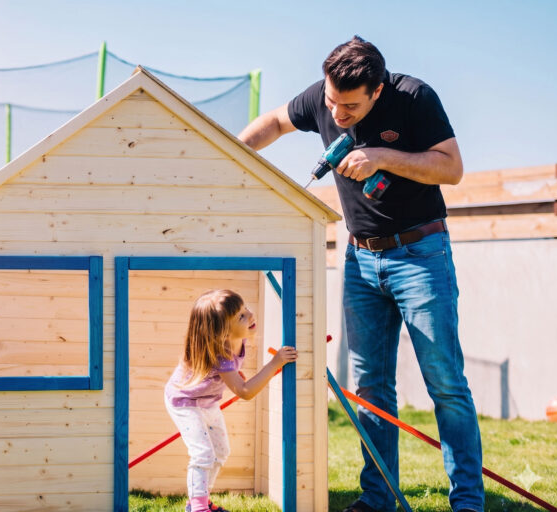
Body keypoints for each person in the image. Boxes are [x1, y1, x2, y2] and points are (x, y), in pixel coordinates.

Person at [237, 36, 484, 512]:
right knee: (371, 387)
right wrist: (231, 158)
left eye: (350, 105)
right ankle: (378, 498)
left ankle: (468, 503)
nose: (337, 114)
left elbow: (451, 169)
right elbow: (271, 123)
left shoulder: (414, 97)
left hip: (421, 255)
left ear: (377, 91)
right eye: (332, 101)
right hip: (358, 259)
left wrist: (383, 157)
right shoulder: (323, 98)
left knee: (445, 382)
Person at [164, 289, 297, 512]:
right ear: (222, 331)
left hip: (208, 401)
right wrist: (275, 363)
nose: (250, 315)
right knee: (203, 453)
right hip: (185, 403)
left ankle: (200, 500)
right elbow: (244, 392)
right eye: (241, 317)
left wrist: (234, 377)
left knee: (221, 451)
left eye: (245, 309)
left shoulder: (237, 342)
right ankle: (198, 508)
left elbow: (230, 376)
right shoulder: (221, 354)